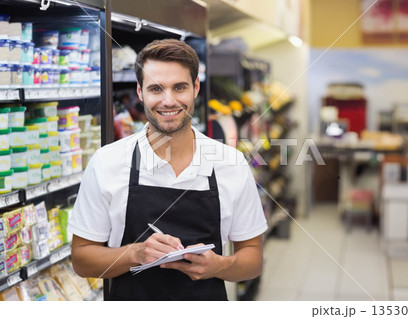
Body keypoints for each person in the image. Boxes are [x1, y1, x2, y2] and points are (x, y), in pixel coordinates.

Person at [68, 39, 268, 301]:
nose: (168, 100)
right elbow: (82, 259)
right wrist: (136, 254)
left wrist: (218, 266)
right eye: (156, 89)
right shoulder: (107, 162)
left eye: (180, 87)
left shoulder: (231, 163)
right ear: (140, 92)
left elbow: (253, 258)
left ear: (196, 88)